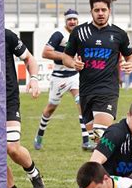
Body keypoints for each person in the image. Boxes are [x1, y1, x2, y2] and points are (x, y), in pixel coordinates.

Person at [62, 0, 132, 145]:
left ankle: (114, 165)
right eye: (97, 10)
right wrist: (73, 64)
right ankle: (116, 163)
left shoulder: (119, 34)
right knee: (97, 141)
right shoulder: (79, 32)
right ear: (91, 11)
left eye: (104, 10)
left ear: (109, 10)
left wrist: (131, 64)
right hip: (85, 91)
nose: (101, 13)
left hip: (107, 90)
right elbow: (66, 57)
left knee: (101, 134)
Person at [33, 9, 93, 152]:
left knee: (81, 104)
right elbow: (46, 52)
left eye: (74, 19)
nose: (72, 21)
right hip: (59, 78)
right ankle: (39, 135)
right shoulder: (59, 34)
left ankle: (86, 141)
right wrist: (67, 56)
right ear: (65, 21)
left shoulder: (80, 33)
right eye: (69, 19)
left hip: (74, 76)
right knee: (51, 108)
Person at [5, 29, 45, 188]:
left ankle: (34, 174)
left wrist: (34, 79)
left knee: (12, 148)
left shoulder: (6, 35)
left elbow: (29, 59)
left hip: (7, 100)